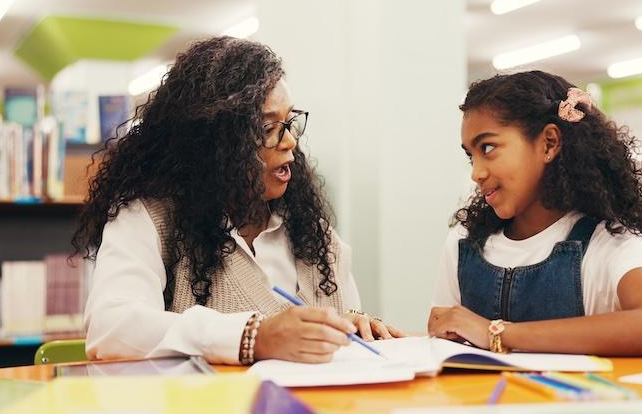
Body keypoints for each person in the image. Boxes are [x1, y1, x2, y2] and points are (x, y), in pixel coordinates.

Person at [74, 37, 401, 366]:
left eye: (289, 122)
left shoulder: (316, 236)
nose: (289, 141)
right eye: (267, 127)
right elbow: (111, 327)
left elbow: (343, 331)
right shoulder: (150, 219)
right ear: (213, 144)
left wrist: (356, 326)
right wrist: (253, 337)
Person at [428, 71, 642, 356]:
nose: (476, 173)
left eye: (488, 148)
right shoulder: (463, 242)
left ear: (549, 143)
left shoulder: (609, 241)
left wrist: (494, 332)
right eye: (471, 156)